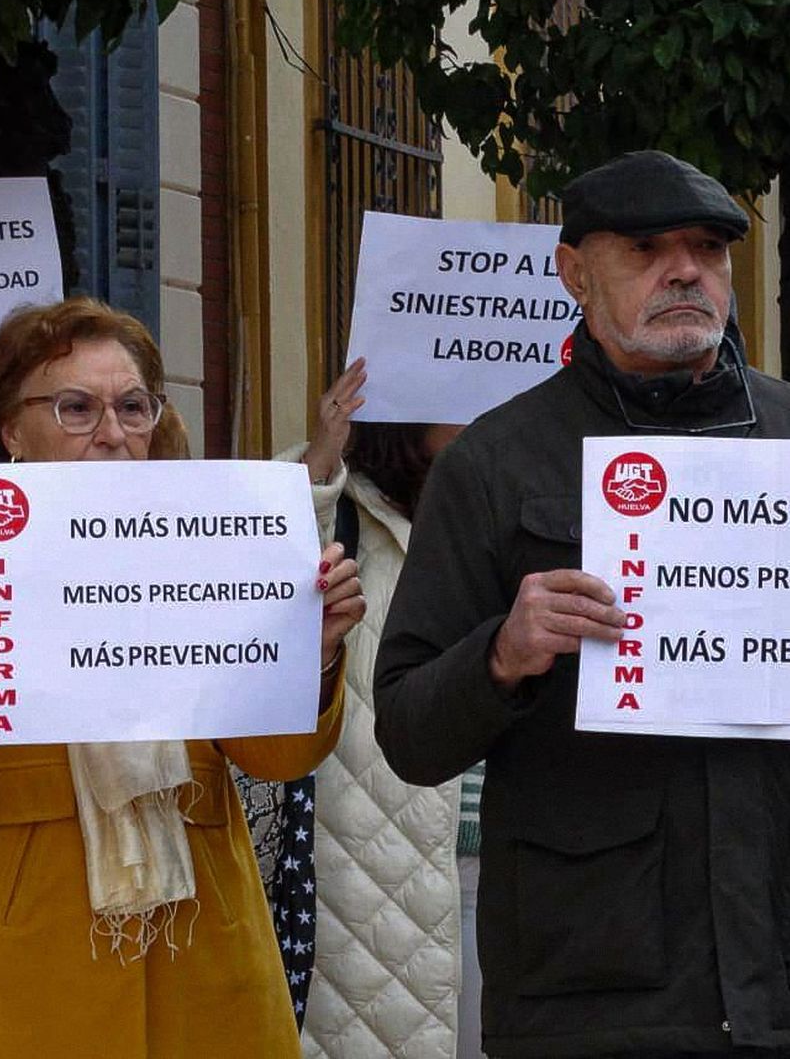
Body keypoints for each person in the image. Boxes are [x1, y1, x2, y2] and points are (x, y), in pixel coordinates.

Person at [373, 150, 790, 1058]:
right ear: (574, 273)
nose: (686, 271)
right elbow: (408, 732)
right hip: (591, 987)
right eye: (647, 249)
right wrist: (503, 655)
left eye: (707, 248)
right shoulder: (496, 462)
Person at [0, 297, 363, 1058]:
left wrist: (314, 653)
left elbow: (278, 758)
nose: (112, 432)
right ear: (11, 431)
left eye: (133, 407)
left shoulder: (213, 545)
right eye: (75, 408)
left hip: (205, 960)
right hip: (30, 963)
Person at [282, 357, 479, 1059]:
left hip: (521, 861)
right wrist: (320, 462)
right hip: (370, 866)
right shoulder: (331, 502)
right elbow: (256, 591)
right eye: (466, 390)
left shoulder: (535, 496)